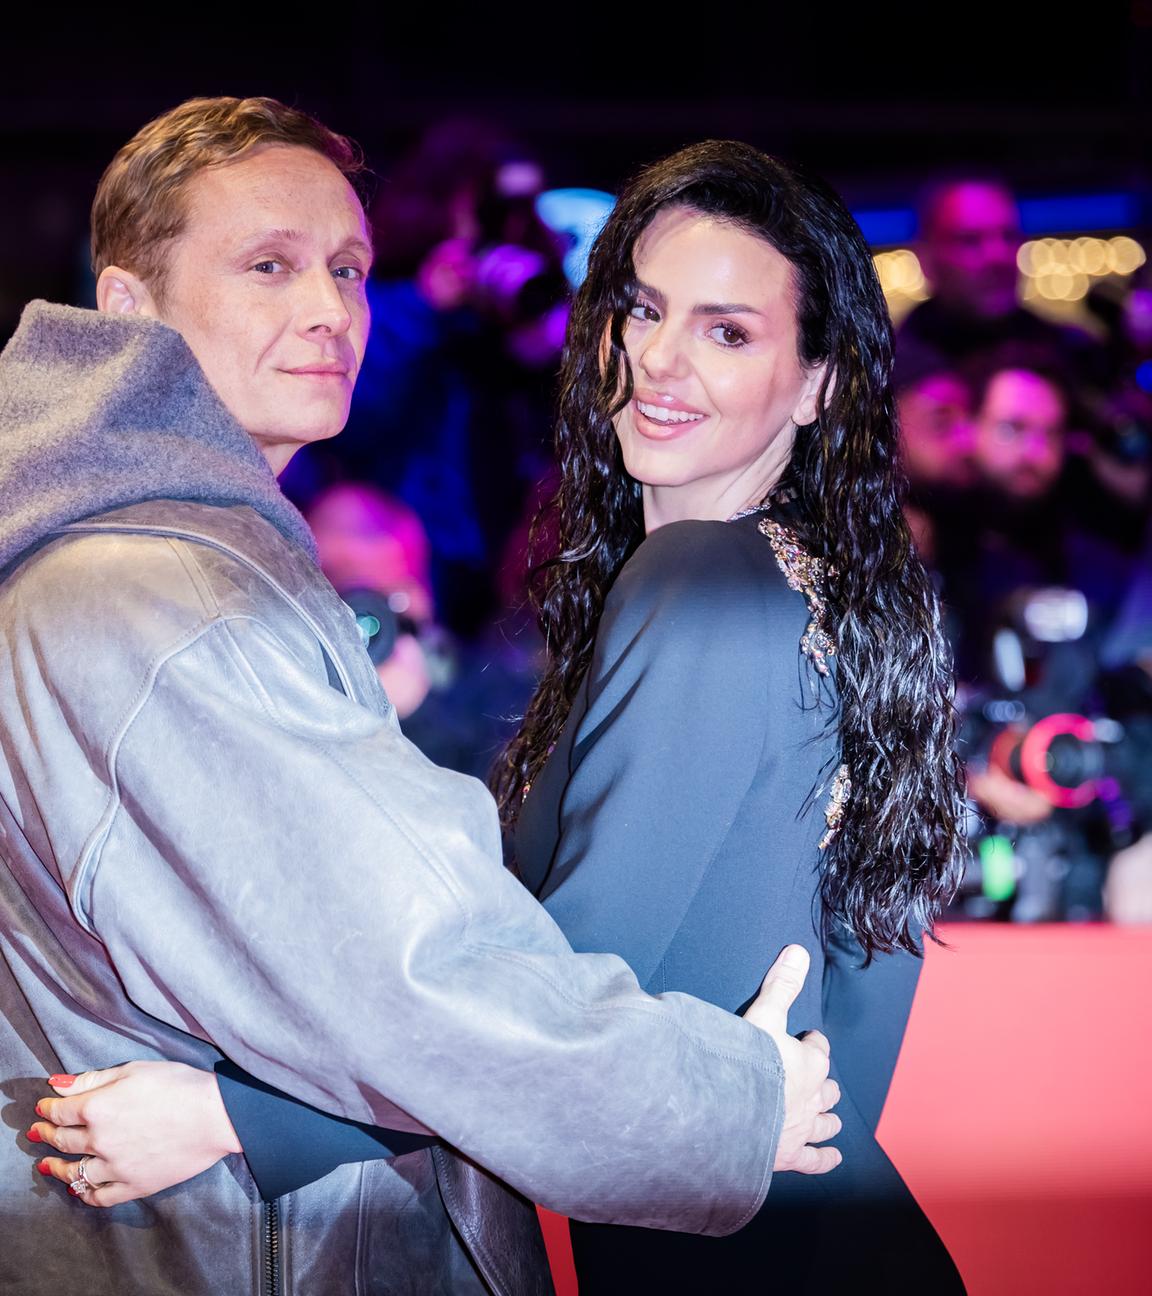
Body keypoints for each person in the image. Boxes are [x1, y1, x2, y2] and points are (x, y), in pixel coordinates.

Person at [31, 140, 968, 1292]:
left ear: (820, 382)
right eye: (644, 310)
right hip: (813, 1236)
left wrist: (231, 1119)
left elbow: (556, 989)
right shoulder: (826, 597)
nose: (660, 360)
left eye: (728, 333)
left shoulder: (702, 585)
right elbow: (857, 1013)